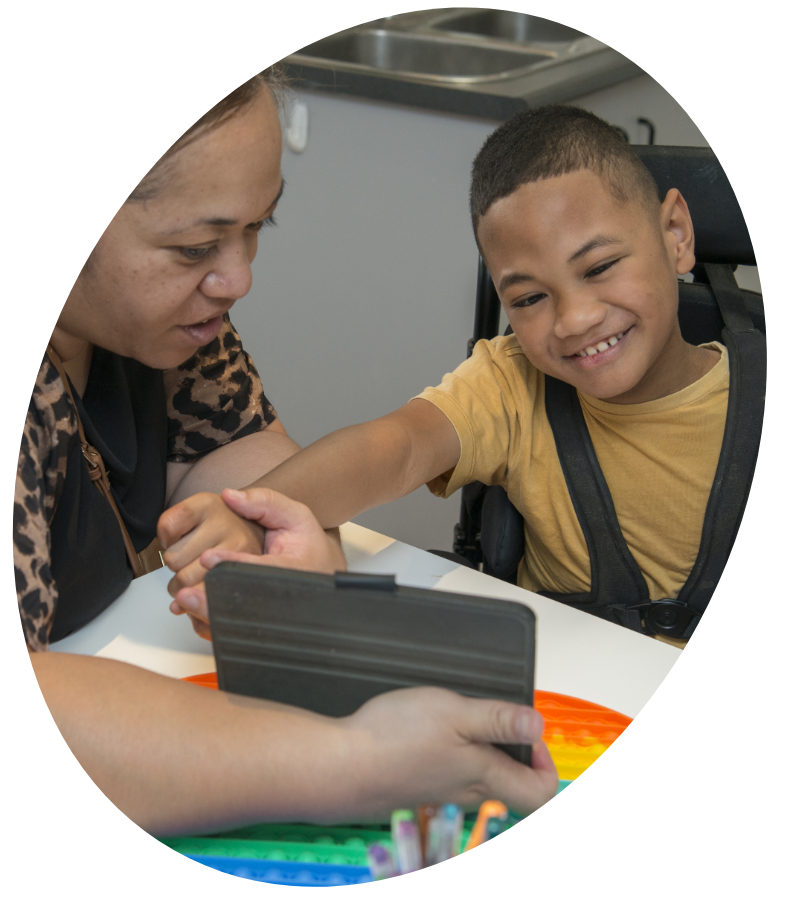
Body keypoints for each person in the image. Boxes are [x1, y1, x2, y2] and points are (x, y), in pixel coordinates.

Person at [16, 71, 558, 835]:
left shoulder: (167, 329)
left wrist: (295, 553)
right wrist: (352, 762)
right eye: (196, 246)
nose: (237, 278)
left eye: (257, 228)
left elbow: (251, 465)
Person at [163, 106, 729, 651]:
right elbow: (398, 447)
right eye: (530, 298)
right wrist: (253, 518)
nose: (575, 319)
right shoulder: (511, 385)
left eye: (600, 267)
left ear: (676, 233)